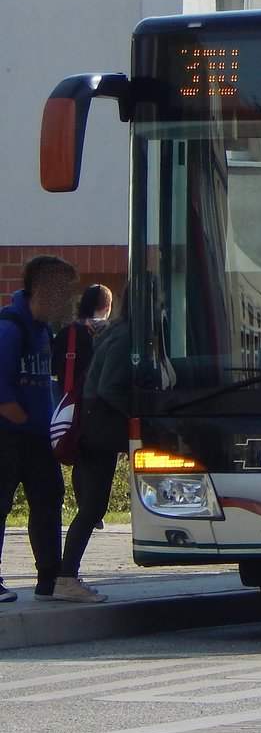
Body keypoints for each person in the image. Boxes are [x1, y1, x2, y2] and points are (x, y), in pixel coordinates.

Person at [0, 256, 78, 604]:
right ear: (43, 288)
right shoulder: (9, 327)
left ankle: (50, 578)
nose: (68, 298)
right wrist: (25, 424)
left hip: (38, 436)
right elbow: (1, 391)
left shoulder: (45, 328)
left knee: (48, 501)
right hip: (9, 435)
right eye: (63, 290)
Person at [56, 285, 134, 604]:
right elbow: (111, 389)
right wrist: (144, 416)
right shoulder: (125, 336)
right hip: (101, 426)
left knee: (93, 505)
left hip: (94, 425)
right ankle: (66, 578)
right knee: (92, 507)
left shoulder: (115, 331)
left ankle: (64, 576)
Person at [51, 283, 113, 397]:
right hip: (105, 405)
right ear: (108, 307)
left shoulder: (66, 334)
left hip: (72, 407)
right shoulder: (114, 335)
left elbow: (53, 370)